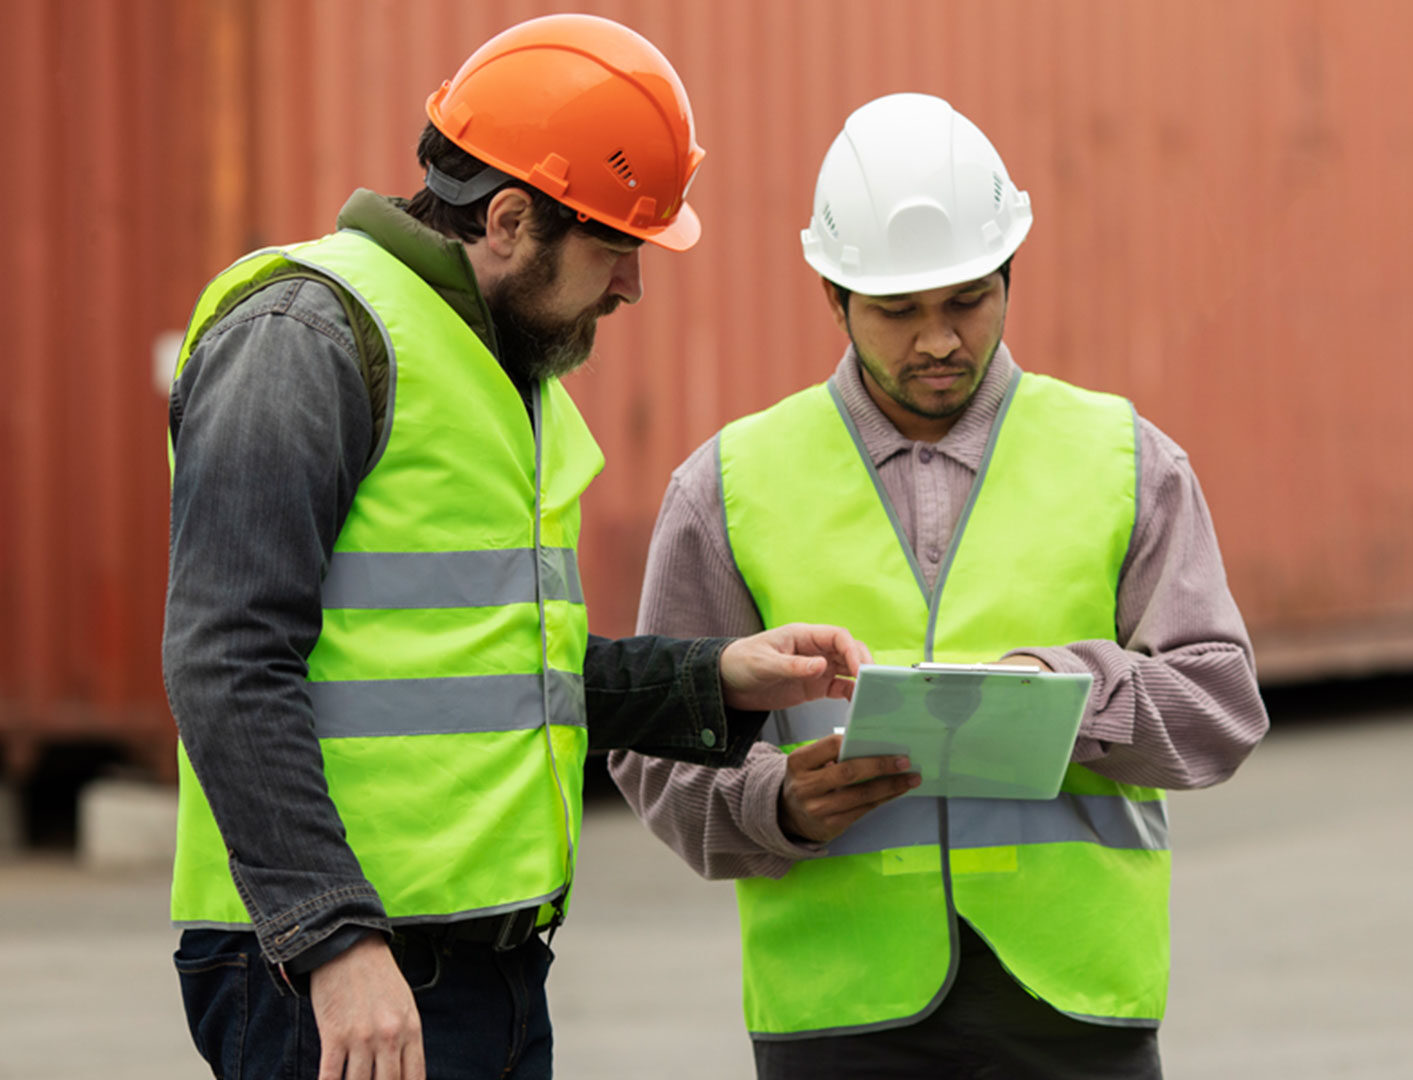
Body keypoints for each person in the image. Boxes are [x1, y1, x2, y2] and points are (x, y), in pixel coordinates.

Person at [162, 16, 870, 1080]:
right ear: (508, 218)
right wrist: (333, 940)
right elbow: (225, 660)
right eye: (617, 245)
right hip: (339, 976)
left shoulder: (499, 375)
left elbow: (488, 675)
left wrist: (716, 677)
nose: (632, 284)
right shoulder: (302, 338)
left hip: (485, 972)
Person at [609, 92, 1271, 1079]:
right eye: (898, 311)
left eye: (968, 299)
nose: (938, 341)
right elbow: (653, 751)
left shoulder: (1126, 461)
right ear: (831, 296)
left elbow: (1223, 704)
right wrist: (774, 806)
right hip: (838, 1011)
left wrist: (1066, 696)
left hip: (1074, 1004)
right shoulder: (729, 488)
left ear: (1011, 273)